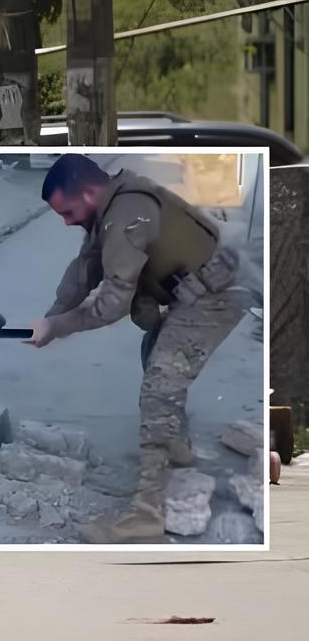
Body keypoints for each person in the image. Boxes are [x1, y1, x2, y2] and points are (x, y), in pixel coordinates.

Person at [24, 154, 251, 543]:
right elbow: (85, 269)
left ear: (90, 191)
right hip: (196, 290)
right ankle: (176, 447)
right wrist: (49, 317)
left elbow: (111, 303)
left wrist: (58, 328)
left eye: (68, 211)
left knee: (161, 386)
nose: (66, 221)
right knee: (155, 351)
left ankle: (148, 512)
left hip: (218, 294)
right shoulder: (112, 204)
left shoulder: (126, 213)